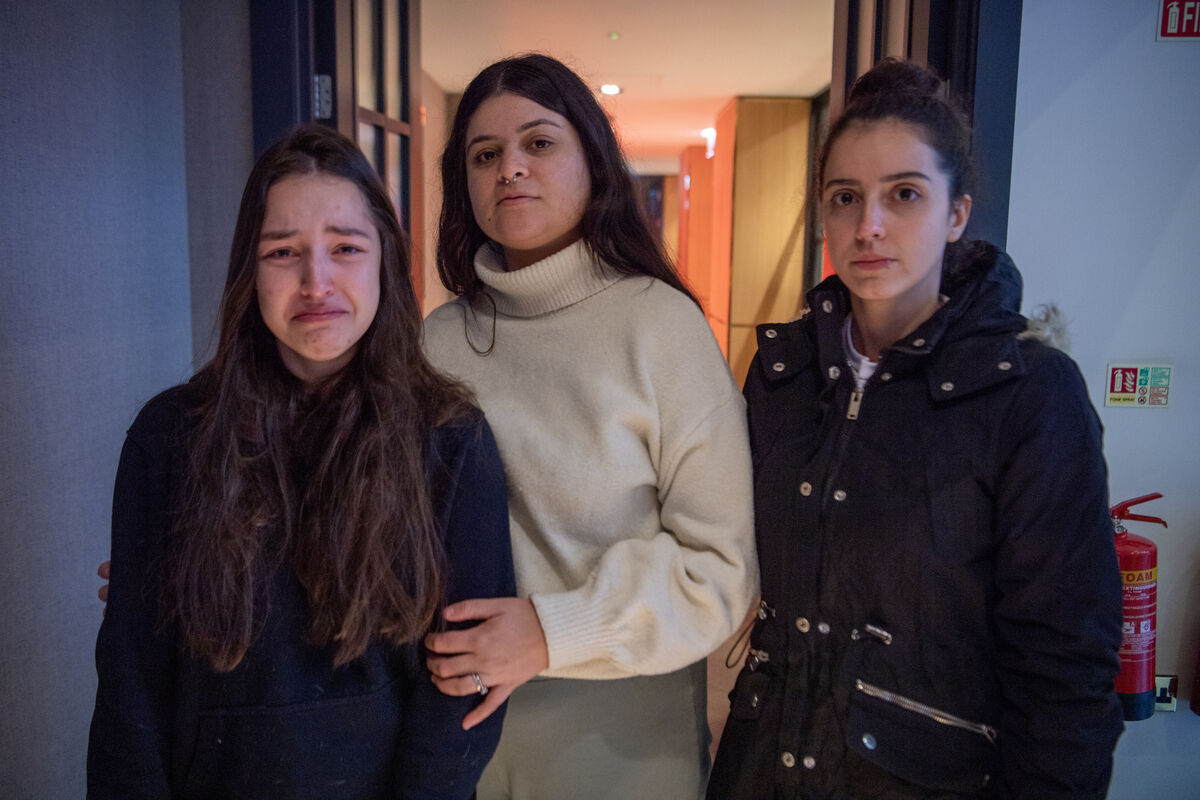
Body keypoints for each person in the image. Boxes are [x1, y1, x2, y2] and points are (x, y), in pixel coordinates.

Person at [707, 58, 1124, 799]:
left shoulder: (1028, 396)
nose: (868, 226)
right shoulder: (783, 376)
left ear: (957, 213)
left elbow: (1065, 666)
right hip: (763, 768)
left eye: (904, 195)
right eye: (845, 198)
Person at [87, 124, 514, 799]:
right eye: (283, 251)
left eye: (345, 247)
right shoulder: (168, 438)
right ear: (248, 273)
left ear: (384, 261)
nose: (317, 281)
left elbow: (461, 686)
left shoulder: (449, 439)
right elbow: (131, 684)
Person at [419, 54, 759, 799]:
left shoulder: (660, 326)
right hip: (449, 726)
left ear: (593, 163)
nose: (510, 167)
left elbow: (721, 574)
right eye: (485, 154)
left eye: (538, 143)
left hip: (616, 730)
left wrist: (551, 631)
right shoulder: (436, 343)